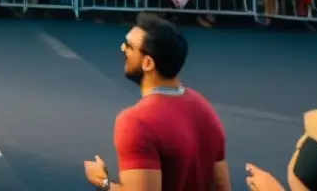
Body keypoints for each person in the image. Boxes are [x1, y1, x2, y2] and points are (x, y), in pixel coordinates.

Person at [83, 13, 230, 191]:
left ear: (148, 63)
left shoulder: (136, 122)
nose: (122, 48)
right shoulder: (204, 107)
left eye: (129, 46)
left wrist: (103, 182)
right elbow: (222, 187)